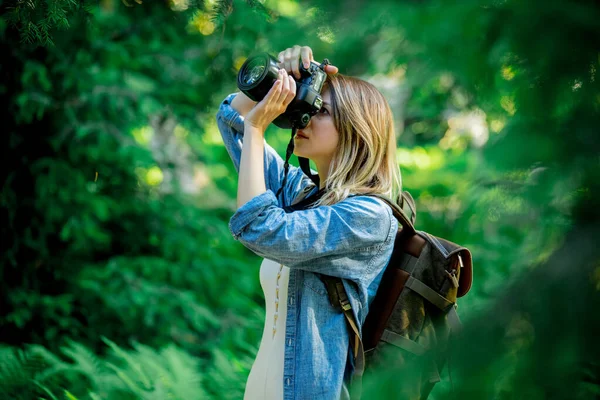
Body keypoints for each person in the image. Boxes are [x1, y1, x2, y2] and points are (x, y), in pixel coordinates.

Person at [216, 45, 401, 400]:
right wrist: (286, 83)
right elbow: (231, 119)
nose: (303, 117)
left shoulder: (368, 218)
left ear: (356, 130)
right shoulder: (305, 195)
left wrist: (258, 129)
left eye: (319, 110)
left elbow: (260, 228)